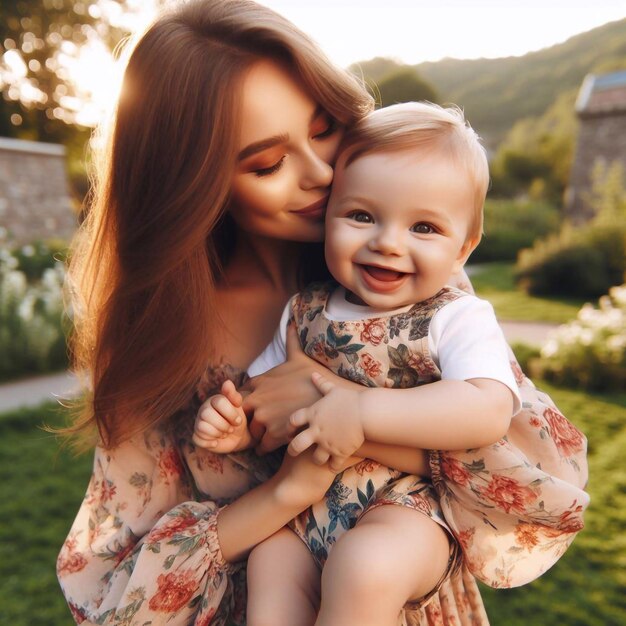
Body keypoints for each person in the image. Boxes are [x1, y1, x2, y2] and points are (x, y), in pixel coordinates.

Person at [56, 2, 489, 625]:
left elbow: (519, 463)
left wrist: (338, 404)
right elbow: (115, 592)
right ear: (195, 184)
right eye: (267, 163)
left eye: (323, 129)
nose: (321, 174)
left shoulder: (401, 270)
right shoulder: (162, 340)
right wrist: (286, 491)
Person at [194, 103, 590, 626]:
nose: (387, 242)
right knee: (270, 564)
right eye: (361, 216)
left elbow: (486, 407)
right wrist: (236, 425)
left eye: (423, 227)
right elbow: (266, 398)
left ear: (462, 249)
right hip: (304, 512)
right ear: (328, 217)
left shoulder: (456, 317)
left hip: (409, 511)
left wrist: (362, 412)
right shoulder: (303, 310)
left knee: (365, 565)